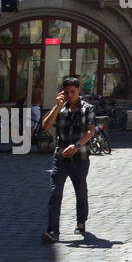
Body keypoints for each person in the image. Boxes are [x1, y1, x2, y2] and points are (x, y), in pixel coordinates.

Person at [41, 76, 97, 242]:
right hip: (60, 158)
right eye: (66, 92)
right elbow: (46, 126)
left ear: (79, 90)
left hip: (80, 157)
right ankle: (53, 231)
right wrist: (57, 107)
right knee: (55, 193)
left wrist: (76, 146)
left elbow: (90, 131)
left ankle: (81, 222)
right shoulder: (61, 108)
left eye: (73, 91)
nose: (70, 95)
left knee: (80, 191)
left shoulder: (88, 108)